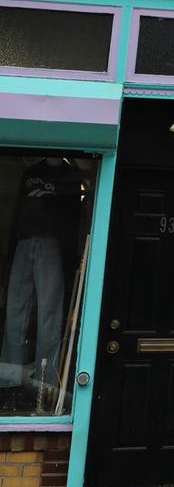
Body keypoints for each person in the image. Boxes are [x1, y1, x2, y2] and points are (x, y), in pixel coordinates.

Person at [0, 159, 81, 410]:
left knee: (48, 314)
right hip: (25, 241)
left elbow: (73, 216)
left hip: (50, 242)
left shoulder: (70, 175)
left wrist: (69, 252)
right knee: (16, 310)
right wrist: (11, 249)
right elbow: (17, 214)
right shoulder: (31, 171)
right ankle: (10, 380)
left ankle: (43, 381)